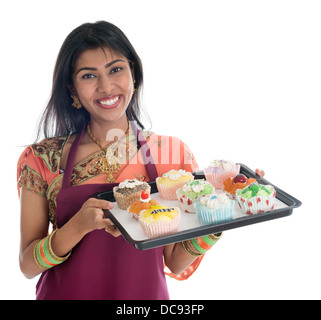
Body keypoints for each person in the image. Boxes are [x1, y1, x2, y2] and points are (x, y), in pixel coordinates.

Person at [17, 21, 224, 300]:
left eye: (116, 69)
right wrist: (79, 225)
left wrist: (219, 219)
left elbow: (174, 260)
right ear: (72, 88)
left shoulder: (171, 155)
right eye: (89, 76)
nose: (106, 87)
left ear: (133, 73)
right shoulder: (44, 159)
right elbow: (28, 265)